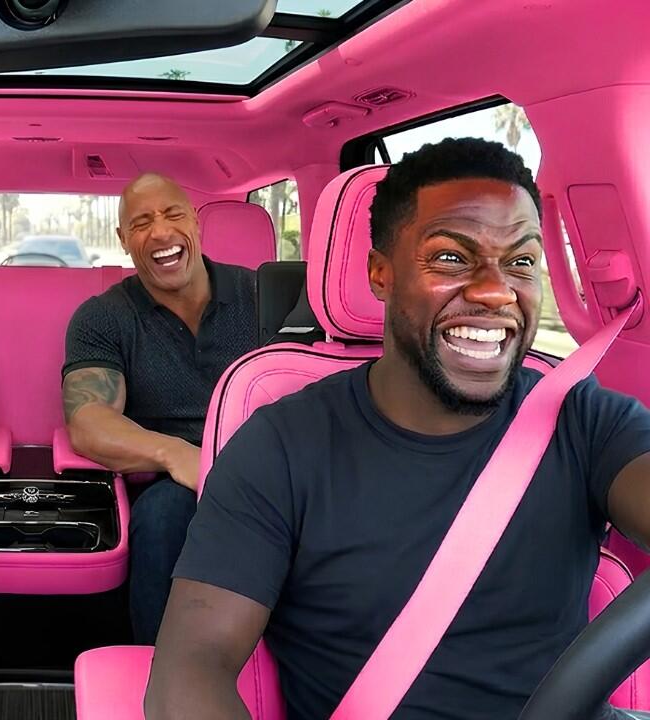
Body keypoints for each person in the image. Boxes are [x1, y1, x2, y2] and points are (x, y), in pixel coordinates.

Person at [147, 138, 650, 719]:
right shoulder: (280, 446)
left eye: (520, 262)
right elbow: (190, 671)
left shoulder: (585, 420)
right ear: (380, 274)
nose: (496, 291)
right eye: (451, 258)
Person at [62, 172, 258, 644]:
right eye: (141, 223)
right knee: (161, 515)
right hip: (175, 483)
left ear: (196, 222)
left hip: (266, 467)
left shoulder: (262, 296)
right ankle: (158, 665)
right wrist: (177, 455)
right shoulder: (103, 316)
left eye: (173, 214)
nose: (161, 232)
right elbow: (88, 420)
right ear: (123, 239)